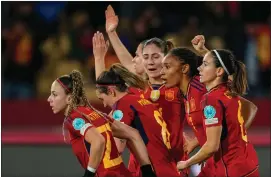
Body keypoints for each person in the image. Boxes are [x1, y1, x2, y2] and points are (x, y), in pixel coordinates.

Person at [48, 70, 157, 177]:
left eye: (54, 95)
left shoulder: (73, 118)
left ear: (69, 98)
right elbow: (133, 134)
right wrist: (147, 170)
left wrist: (89, 173)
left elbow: (98, 140)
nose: (49, 99)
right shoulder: (98, 114)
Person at [176, 49, 259, 176]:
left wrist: (186, 163)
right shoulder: (228, 92)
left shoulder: (211, 99)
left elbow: (211, 146)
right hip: (247, 165)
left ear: (219, 71)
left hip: (231, 170)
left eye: (205, 64)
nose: (199, 68)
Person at [96, 63, 183, 177]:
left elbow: (117, 147)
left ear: (111, 91)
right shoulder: (141, 101)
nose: (104, 104)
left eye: (102, 99)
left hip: (153, 170)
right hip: (167, 167)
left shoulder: (123, 105)